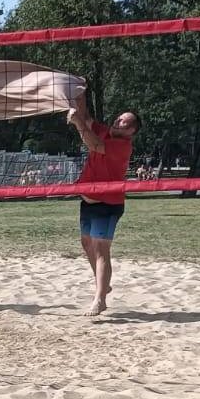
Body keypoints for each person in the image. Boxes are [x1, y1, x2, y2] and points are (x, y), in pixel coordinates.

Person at [68, 97, 141, 316]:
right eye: (119, 118)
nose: (118, 121)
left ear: (131, 131)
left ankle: (100, 299)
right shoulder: (104, 132)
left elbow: (93, 144)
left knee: (101, 249)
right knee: (86, 243)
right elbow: (86, 118)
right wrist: (79, 92)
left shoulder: (122, 146)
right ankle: (103, 285)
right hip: (88, 200)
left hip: (108, 204)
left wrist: (76, 122)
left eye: (124, 122)